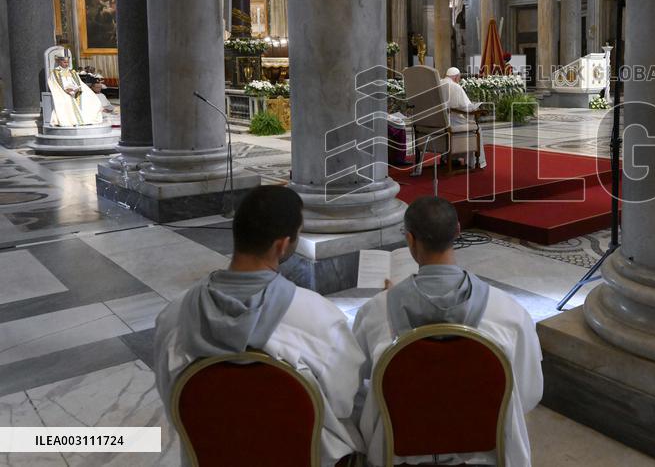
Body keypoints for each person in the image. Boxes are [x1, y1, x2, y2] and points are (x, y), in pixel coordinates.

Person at [153, 186, 364, 465]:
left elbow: (174, 404)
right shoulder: (318, 316)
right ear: (282, 245)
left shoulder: (172, 317)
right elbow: (344, 400)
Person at [352, 196, 543, 467]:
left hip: (396, 452)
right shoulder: (510, 313)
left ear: (409, 240)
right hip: (484, 453)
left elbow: (352, 392)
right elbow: (527, 393)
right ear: (457, 231)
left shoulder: (374, 313)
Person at [441, 66, 487, 169]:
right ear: (456, 77)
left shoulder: (439, 83)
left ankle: (451, 158)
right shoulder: (455, 87)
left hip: (440, 123)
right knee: (477, 129)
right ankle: (475, 162)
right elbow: (466, 107)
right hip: (453, 123)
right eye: (459, 78)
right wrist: (476, 107)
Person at [48, 48, 103, 126]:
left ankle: (86, 119)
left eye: (67, 62)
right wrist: (67, 90)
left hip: (75, 91)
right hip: (63, 92)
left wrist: (77, 88)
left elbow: (79, 82)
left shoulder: (72, 71)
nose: (66, 64)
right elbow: (55, 84)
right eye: (64, 62)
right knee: (67, 101)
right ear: (59, 61)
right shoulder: (55, 72)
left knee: (92, 99)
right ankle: (73, 121)